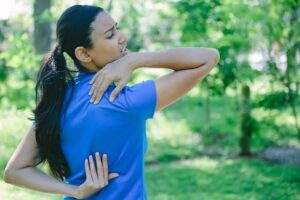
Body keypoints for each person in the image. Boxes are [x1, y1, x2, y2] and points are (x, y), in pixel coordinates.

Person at [3, 4, 220, 200]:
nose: (122, 36)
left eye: (117, 28)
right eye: (110, 35)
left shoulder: (58, 101)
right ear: (84, 54)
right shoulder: (125, 101)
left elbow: (15, 171)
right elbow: (208, 58)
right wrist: (136, 60)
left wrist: (75, 191)